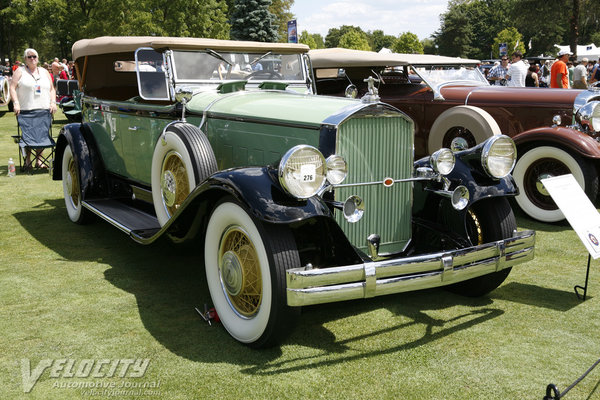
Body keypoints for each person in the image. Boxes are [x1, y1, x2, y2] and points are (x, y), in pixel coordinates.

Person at [9, 48, 56, 169]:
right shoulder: (20, 71)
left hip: (44, 109)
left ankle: (39, 161)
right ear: (25, 59)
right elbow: (12, 88)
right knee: (28, 136)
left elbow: (52, 89)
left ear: (38, 58)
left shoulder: (44, 72)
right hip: (26, 110)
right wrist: (16, 103)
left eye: (34, 56)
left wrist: (53, 102)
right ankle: (28, 160)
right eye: (29, 57)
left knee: (42, 135)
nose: (32, 59)